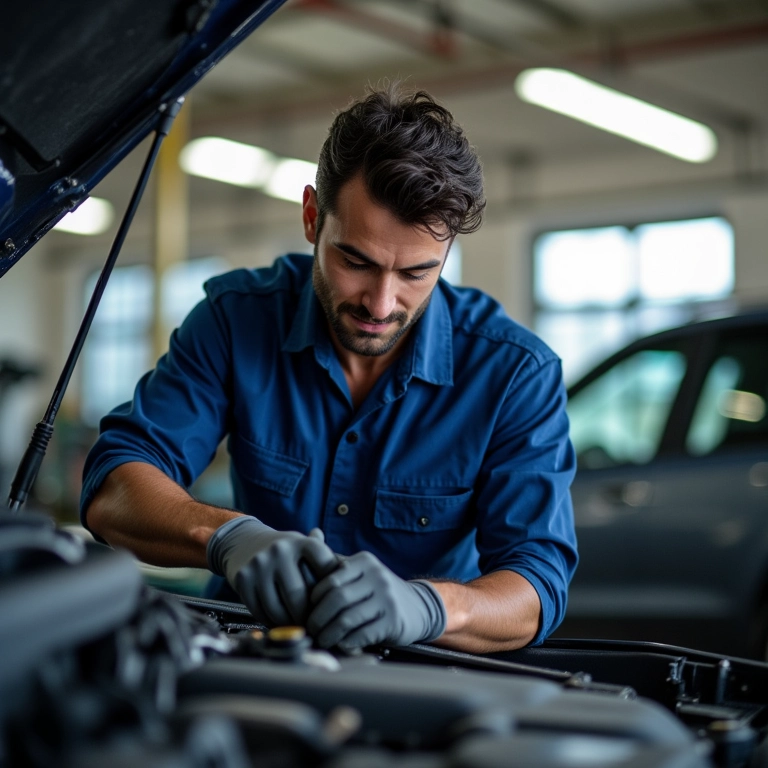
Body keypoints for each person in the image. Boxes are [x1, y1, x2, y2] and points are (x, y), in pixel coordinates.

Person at [82, 83, 577, 654]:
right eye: (356, 261)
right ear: (313, 217)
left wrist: (430, 606)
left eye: (416, 273)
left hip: (423, 675)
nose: (381, 303)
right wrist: (227, 537)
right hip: (248, 656)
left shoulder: (516, 374)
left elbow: (537, 582)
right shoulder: (233, 320)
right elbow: (115, 482)